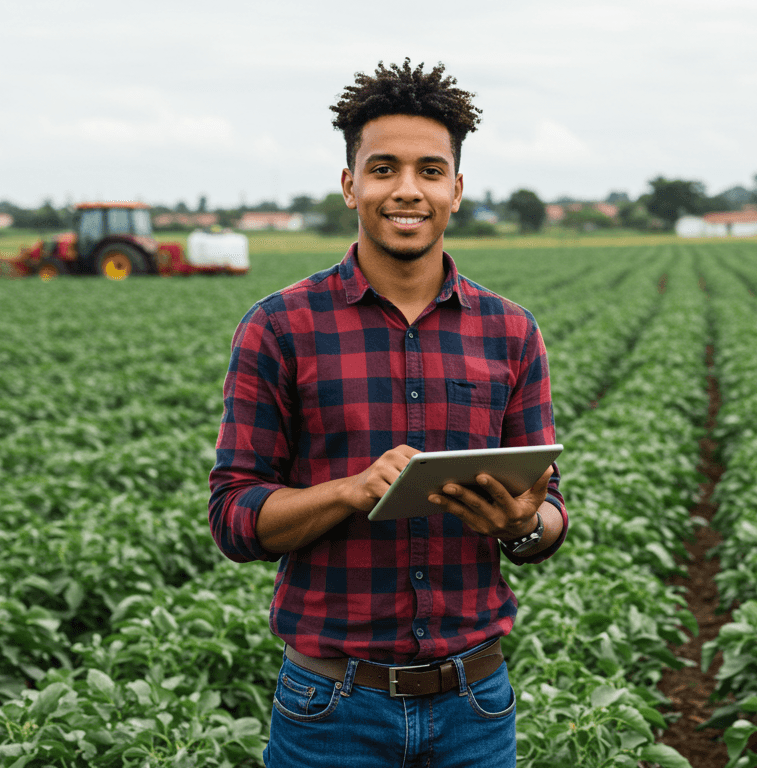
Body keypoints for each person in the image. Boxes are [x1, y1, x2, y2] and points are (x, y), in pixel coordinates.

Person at [207, 59, 566, 767]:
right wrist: (350, 491)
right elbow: (234, 518)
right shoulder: (280, 327)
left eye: (430, 170)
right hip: (330, 709)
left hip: (476, 703)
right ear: (350, 185)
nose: (407, 189)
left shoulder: (510, 331)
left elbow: (549, 512)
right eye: (384, 169)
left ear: (457, 190)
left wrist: (524, 525)